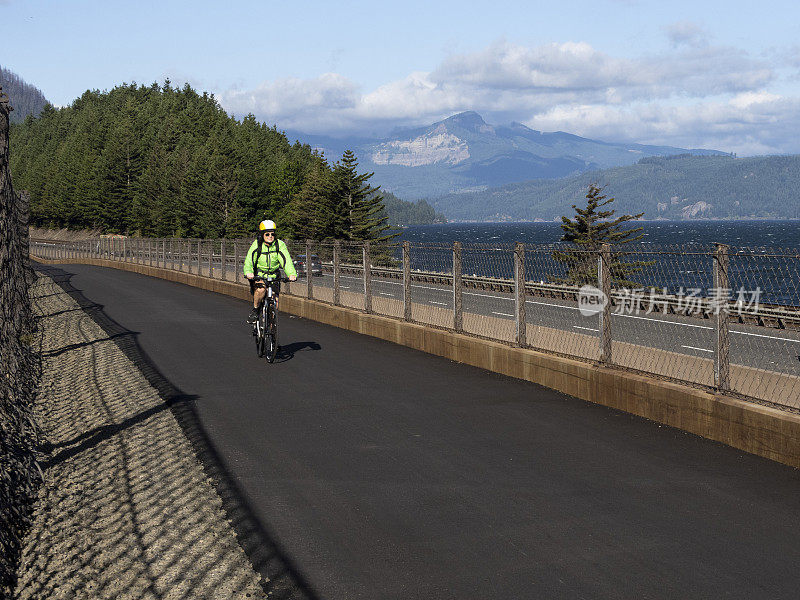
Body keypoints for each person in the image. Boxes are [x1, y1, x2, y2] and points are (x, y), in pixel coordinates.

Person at [244, 219, 297, 323]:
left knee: (274, 303)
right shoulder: (257, 245)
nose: (270, 236)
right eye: (267, 234)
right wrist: (248, 272)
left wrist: (291, 274)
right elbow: (249, 260)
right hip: (260, 274)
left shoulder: (279, 245)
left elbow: (286, 260)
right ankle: (255, 310)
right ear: (262, 235)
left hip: (274, 275)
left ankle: (272, 331)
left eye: (272, 234)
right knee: (261, 290)